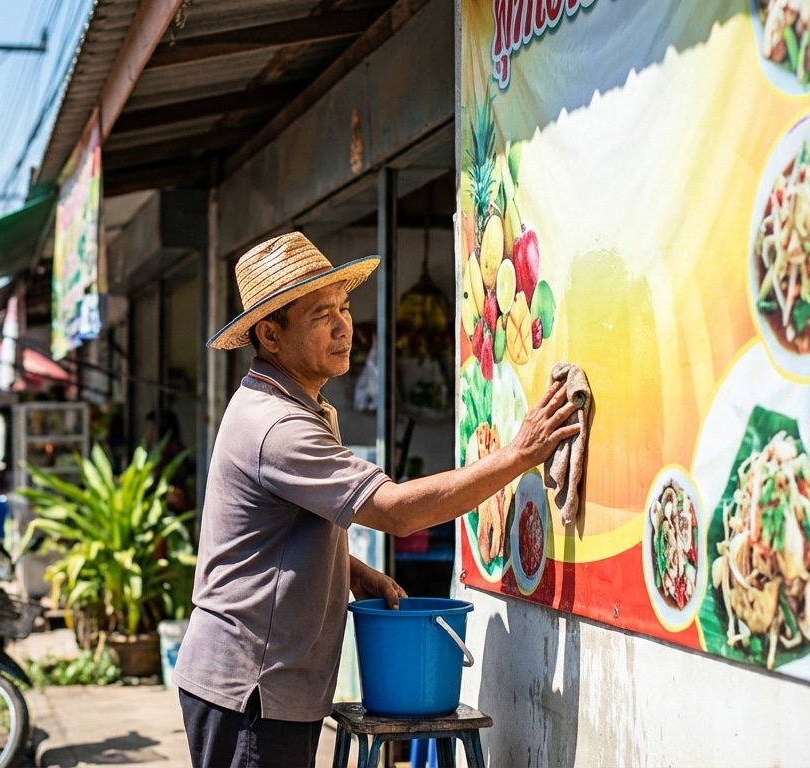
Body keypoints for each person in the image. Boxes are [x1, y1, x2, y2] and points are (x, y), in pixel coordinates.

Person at [171, 232, 581, 768]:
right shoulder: (278, 425)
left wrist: (352, 570)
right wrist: (519, 455)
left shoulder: (297, 404)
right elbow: (397, 511)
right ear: (270, 335)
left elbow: (279, 535)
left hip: (265, 686)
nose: (344, 326)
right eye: (321, 315)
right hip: (252, 688)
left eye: (344, 306)